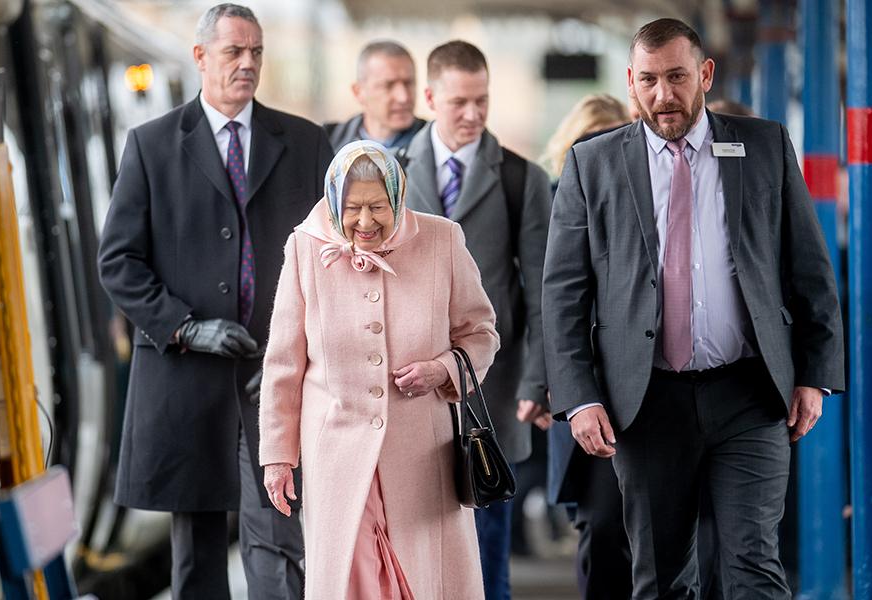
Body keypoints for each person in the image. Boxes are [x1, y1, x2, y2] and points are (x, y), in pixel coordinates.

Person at [542, 18, 844, 599]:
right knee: (659, 577)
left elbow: (809, 268)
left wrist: (815, 376)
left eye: (677, 77)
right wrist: (579, 395)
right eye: (649, 80)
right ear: (631, 81)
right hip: (645, 398)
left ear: (704, 74)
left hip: (749, 394)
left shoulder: (764, 146)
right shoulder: (593, 163)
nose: (664, 95)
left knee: (754, 565)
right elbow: (564, 293)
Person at [97, 4, 332, 598]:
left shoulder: (305, 143)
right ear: (201, 57)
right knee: (197, 556)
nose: (247, 63)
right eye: (234, 52)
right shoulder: (150, 145)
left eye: (256, 52)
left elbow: (333, 258)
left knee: (281, 541)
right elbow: (118, 262)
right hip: (185, 377)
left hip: (277, 380)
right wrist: (185, 327)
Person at [259, 140, 498, 599]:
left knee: (422, 580)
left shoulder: (442, 239)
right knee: (356, 577)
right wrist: (278, 457)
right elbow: (284, 363)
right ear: (333, 202)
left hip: (421, 455)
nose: (365, 222)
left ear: (398, 195)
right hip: (336, 452)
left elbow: (480, 333)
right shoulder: (305, 248)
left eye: (378, 206)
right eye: (352, 208)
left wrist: (442, 369)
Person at [402, 40, 552, 600]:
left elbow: (541, 292)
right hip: (408, 391)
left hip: (491, 389)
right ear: (431, 97)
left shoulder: (520, 179)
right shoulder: (390, 172)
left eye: (482, 101)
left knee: (487, 554)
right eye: (460, 102)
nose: (472, 114)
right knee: (415, 551)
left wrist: (539, 381)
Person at [541, 93, 632, 600]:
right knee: (598, 524)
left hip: (641, 382)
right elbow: (550, 297)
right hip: (583, 383)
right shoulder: (555, 198)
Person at [324, 41, 427, 152]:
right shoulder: (326, 143)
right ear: (358, 92)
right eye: (388, 86)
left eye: (409, 83)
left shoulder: (437, 145)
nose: (403, 97)